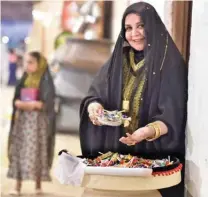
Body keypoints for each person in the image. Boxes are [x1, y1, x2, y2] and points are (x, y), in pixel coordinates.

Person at [79, 2, 187, 197]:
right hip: (116, 157)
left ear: (152, 26)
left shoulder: (169, 63)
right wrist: (94, 108)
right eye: (128, 28)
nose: (134, 33)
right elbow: (95, 94)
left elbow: (173, 116)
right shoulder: (119, 60)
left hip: (152, 161)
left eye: (141, 26)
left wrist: (145, 132)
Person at [7, 51, 56, 195]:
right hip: (22, 123)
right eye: (25, 62)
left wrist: (29, 105)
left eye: (30, 62)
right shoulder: (24, 78)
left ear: (39, 64)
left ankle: (38, 185)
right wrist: (23, 104)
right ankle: (17, 186)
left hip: (38, 124)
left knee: (38, 151)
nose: (26, 65)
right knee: (19, 150)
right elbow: (16, 99)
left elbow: (46, 103)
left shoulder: (45, 80)